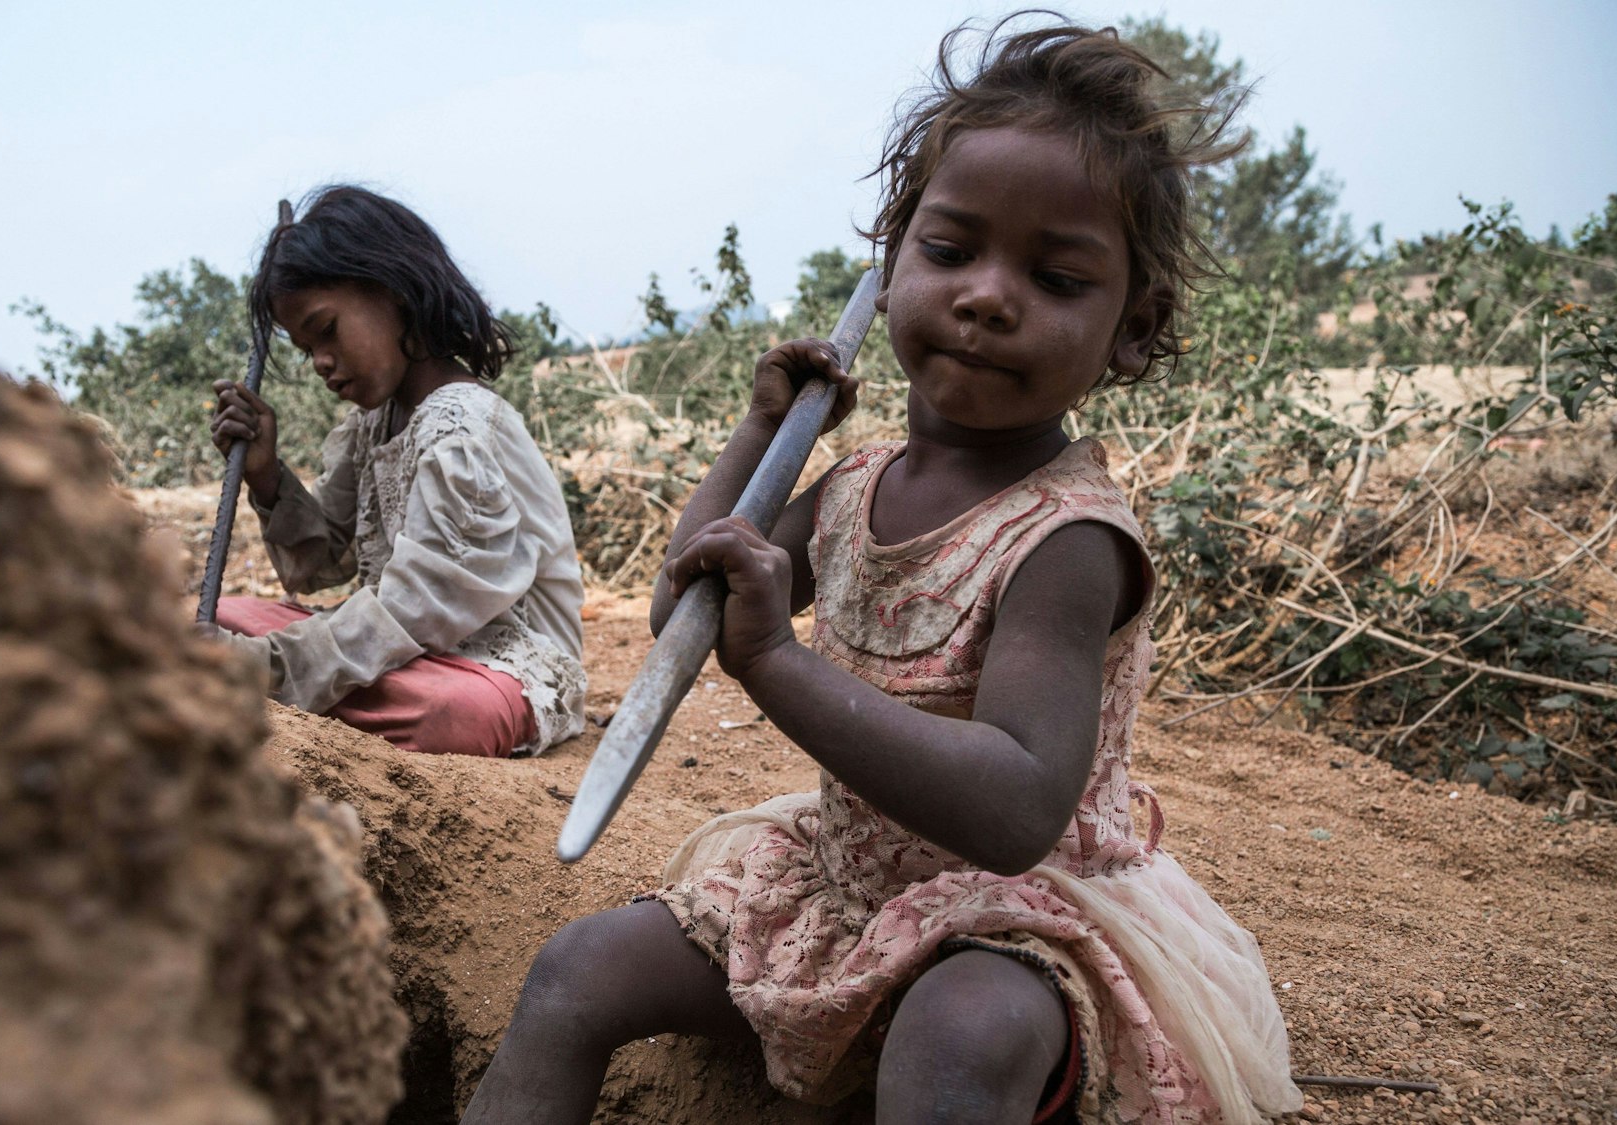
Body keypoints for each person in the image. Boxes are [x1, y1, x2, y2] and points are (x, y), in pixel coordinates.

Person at [463, 17, 1301, 1123]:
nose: (987, 295)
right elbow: (683, 607)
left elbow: (1011, 812)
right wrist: (764, 438)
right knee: (575, 972)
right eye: (949, 251)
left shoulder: (1066, 540)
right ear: (892, 260)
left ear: (1131, 331)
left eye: (1052, 277)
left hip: (1014, 915)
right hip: (845, 887)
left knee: (952, 1040)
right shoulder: (856, 482)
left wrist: (773, 660)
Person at [207, 186, 585, 759]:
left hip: (492, 668)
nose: (320, 364)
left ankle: (271, 693)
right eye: (306, 349)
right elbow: (327, 562)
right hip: (404, 654)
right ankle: (271, 687)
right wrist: (266, 476)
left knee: (453, 716)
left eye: (327, 330)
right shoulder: (374, 425)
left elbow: (418, 605)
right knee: (216, 617)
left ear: (395, 293)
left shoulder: (460, 428)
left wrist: (268, 666)